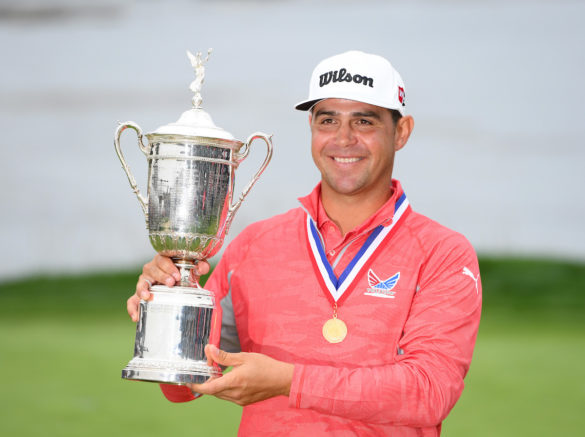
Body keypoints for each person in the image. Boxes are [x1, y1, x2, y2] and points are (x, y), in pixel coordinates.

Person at [127, 50, 482, 436]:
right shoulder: (254, 245)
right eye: (328, 120)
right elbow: (183, 388)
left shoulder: (443, 254)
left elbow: (429, 392)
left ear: (401, 132)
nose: (344, 139)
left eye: (364, 121)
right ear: (312, 127)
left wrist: (289, 381)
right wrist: (168, 305)